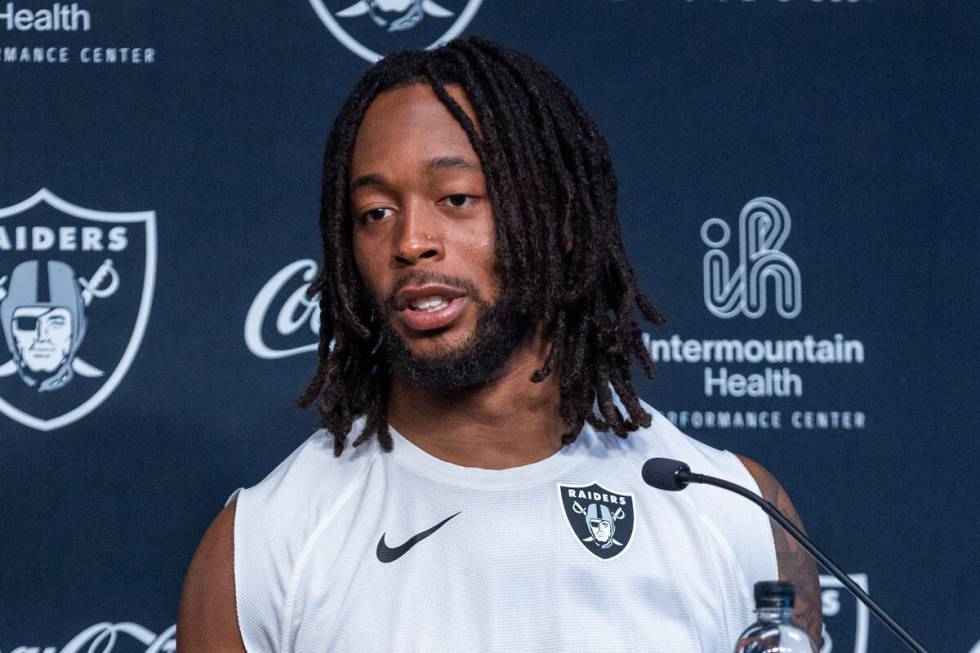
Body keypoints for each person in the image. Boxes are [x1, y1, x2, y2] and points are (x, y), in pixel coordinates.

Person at [177, 36, 821, 651]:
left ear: (562, 223)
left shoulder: (736, 515)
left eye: (456, 198)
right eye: (376, 212)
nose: (409, 242)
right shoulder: (261, 547)